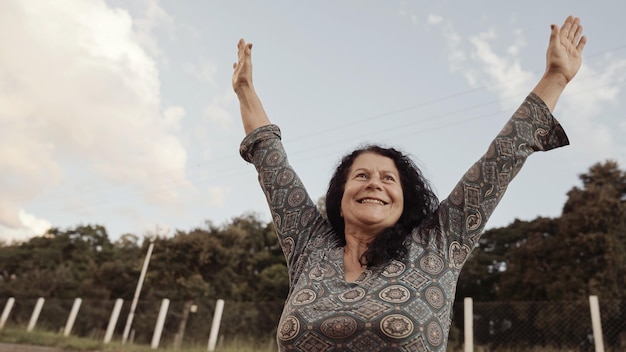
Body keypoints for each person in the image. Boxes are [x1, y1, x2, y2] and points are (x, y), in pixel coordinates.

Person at [234, 16, 586, 352]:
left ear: (405, 199)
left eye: (389, 179)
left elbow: (501, 158)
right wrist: (245, 91)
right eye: (361, 176)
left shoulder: (439, 242)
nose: (374, 184)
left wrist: (555, 77)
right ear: (340, 198)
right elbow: (271, 163)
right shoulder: (309, 248)